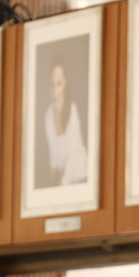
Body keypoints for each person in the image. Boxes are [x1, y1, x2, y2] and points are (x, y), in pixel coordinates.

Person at [43, 56, 87, 187]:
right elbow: (54, 159)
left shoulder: (72, 111)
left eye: (59, 84)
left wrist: (60, 187)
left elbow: (71, 157)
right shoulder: (48, 116)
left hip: (81, 177)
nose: (55, 90)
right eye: (52, 85)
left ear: (65, 83)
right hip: (65, 181)